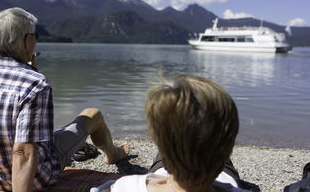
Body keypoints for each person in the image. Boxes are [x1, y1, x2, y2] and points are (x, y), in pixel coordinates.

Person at [0, 7, 129, 192]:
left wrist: (29, 70)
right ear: (27, 41)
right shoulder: (35, 84)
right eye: (35, 36)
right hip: (35, 179)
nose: (35, 41)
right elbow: (23, 152)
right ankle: (114, 154)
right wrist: (32, 75)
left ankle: (112, 152)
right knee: (92, 115)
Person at [92, 75, 257, 192]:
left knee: (176, 134)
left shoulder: (126, 186)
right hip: (220, 173)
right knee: (212, 134)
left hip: (166, 168)